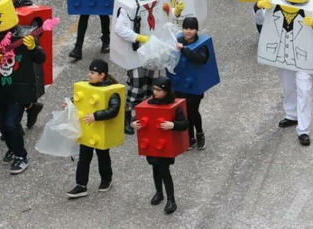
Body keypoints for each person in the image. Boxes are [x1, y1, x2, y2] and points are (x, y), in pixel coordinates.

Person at [255, 0, 313, 146]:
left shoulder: (312, 9)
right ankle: (291, 114)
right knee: (288, 87)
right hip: (284, 56)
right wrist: (260, 8)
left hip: (304, 58)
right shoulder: (276, 3)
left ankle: (303, 130)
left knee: (304, 91)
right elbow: (261, 21)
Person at [0, 0, 46, 174]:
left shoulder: (25, 35)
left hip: (18, 89)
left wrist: (33, 48)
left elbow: (40, 58)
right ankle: (13, 148)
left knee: (11, 123)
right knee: (2, 123)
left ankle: (21, 155)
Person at [130, 77, 188, 214]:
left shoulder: (173, 107)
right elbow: (137, 116)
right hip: (152, 146)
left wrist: (173, 125)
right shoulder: (149, 102)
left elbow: (184, 124)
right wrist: (133, 123)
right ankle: (159, 192)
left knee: (164, 172)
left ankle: (171, 200)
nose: (155, 92)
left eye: (158, 90)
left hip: (164, 147)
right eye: (154, 89)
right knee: (155, 169)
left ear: (166, 91)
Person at [66, 59, 120, 198]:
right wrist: (70, 103)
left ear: (102, 75)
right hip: (87, 129)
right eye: (89, 72)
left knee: (103, 156)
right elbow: (79, 98)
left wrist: (96, 116)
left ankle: (106, 179)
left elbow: (114, 110)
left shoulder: (112, 91)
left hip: (101, 130)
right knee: (84, 158)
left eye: (92, 73)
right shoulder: (87, 86)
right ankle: (81, 185)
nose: (89, 75)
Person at [174, 17, 208, 150]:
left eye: (192, 28)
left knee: (193, 111)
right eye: (186, 28)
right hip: (180, 85)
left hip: (195, 86)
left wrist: (183, 49)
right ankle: (189, 137)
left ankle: (199, 134)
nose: (188, 31)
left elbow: (199, 59)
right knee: (184, 111)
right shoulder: (178, 41)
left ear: (196, 30)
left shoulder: (202, 44)